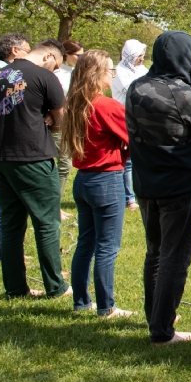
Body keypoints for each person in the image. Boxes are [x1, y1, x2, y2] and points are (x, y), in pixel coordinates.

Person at [124, 31, 191, 346]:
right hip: (178, 185)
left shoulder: (136, 87)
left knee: (155, 253)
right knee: (174, 257)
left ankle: (157, 317)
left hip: (145, 183)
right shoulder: (186, 94)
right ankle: (162, 331)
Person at [0, 39, 70, 299]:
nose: (56, 71)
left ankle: (15, 288)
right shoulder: (44, 76)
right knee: (46, 222)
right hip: (31, 157)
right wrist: (52, 120)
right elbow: (62, 118)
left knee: (12, 223)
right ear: (48, 58)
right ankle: (56, 287)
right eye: (56, 66)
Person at [61, 50, 134, 318]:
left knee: (86, 243)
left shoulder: (75, 103)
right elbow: (134, 135)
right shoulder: (105, 105)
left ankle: (81, 301)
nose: (112, 75)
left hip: (83, 180)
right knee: (107, 247)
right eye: (109, 70)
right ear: (97, 75)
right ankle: (107, 306)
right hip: (106, 178)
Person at [0, 31, 31, 264]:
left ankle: (5, 251)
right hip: (6, 146)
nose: (29, 57)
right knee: (7, 205)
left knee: (8, 204)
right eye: (27, 51)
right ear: (14, 51)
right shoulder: (5, 77)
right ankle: (2, 253)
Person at [112, 39, 148, 212]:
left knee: (142, 159)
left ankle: (141, 192)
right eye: (138, 55)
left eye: (142, 55)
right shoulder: (119, 71)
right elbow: (133, 91)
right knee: (128, 160)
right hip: (124, 119)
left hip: (142, 120)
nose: (141, 58)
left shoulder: (143, 70)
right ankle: (129, 198)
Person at [51, 39, 83, 203]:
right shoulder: (57, 75)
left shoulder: (76, 73)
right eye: (78, 55)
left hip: (72, 123)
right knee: (64, 164)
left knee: (66, 164)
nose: (81, 58)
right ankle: (54, 206)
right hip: (59, 124)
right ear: (66, 55)